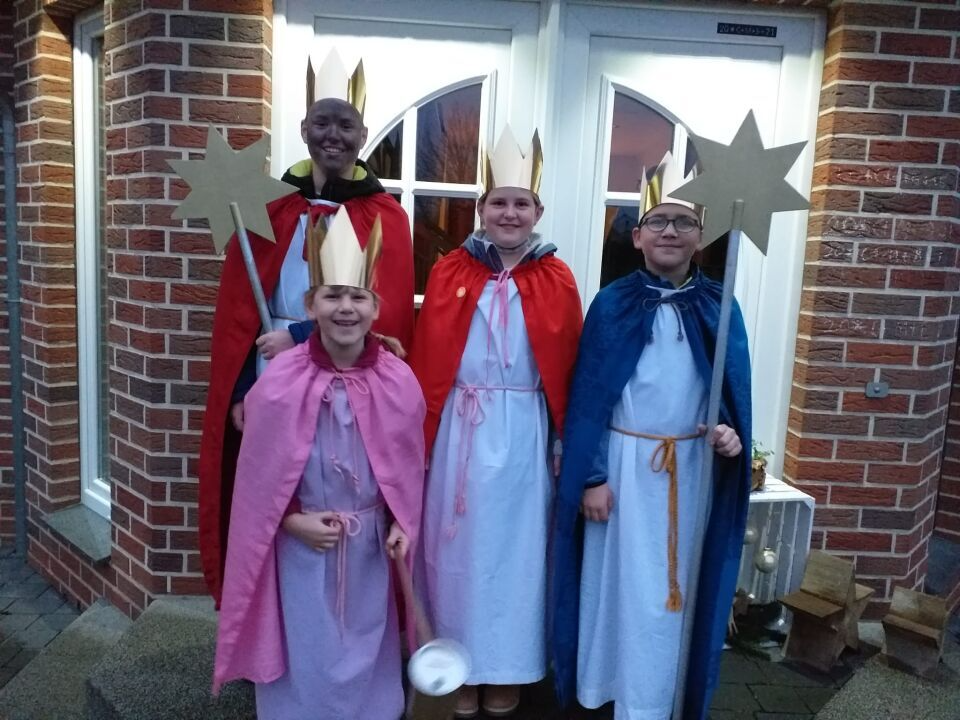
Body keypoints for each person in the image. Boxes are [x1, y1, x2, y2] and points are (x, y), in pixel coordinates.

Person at [198, 50, 414, 603]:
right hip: (271, 369)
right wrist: (243, 388)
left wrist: (298, 336)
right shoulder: (270, 207)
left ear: (362, 133)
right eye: (322, 122)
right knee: (275, 482)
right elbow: (239, 312)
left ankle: (346, 603)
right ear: (303, 128)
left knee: (333, 477)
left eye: (345, 124)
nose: (332, 135)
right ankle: (268, 612)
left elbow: (379, 313)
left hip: (345, 374)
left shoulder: (385, 216)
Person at [552, 153, 752, 720]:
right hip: (621, 470)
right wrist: (591, 477)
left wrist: (729, 437)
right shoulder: (612, 304)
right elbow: (591, 396)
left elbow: (731, 395)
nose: (670, 231)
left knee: (675, 587)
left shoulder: (719, 305)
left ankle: (659, 696)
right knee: (615, 583)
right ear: (637, 236)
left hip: (688, 474)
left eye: (683, 222)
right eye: (658, 221)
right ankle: (607, 689)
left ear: (700, 238)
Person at [212, 206, 424, 720]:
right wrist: (291, 520)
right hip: (302, 549)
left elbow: (407, 470)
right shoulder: (280, 382)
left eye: (357, 297)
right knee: (306, 647)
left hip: (369, 547)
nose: (345, 308)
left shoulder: (397, 380)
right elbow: (258, 480)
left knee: (366, 644)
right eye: (332, 296)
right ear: (310, 304)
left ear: (376, 307)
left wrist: (401, 523)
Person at [409, 127, 583, 718]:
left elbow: (568, 365)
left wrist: (562, 440)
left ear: (538, 212)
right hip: (461, 429)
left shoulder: (557, 278)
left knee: (518, 554)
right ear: (481, 209)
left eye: (521, 203)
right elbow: (430, 355)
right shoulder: (450, 271)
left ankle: (508, 667)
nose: (510, 213)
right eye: (499, 202)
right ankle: (458, 664)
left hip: (524, 430)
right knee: (454, 552)